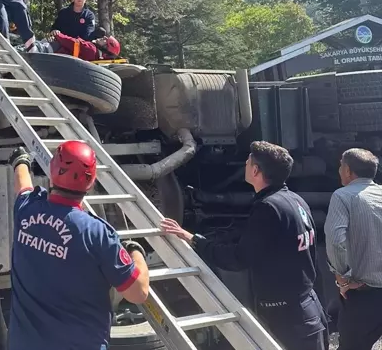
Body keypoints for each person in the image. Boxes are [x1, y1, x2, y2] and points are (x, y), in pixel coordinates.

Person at [161, 141, 328, 350]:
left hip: (286, 318)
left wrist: (194, 240)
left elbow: (238, 258)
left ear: (256, 170)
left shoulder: (268, 207)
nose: (246, 165)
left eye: (248, 162)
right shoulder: (296, 201)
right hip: (307, 309)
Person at [7, 141, 149, 350]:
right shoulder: (98, 233)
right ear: (91, 180)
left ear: (53, 171)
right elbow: (138, 293)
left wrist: (20, 161)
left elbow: (23, 185)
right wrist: (136, 252)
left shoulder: (26, 210)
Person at [325, 148, 382, 350]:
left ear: (348, 170)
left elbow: (335, 240)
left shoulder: (343, 196)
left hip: (364, 295)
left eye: (341, 166)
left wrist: (343, 277)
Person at [27, 31, 121, 62]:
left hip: (48, 50)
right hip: (52, 53)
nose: (103, 37)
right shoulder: (93, 55)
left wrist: (57, 34)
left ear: (105, 49)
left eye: (106, 40)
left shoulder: (91, 49)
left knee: (23, 48)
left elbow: (72, 42)